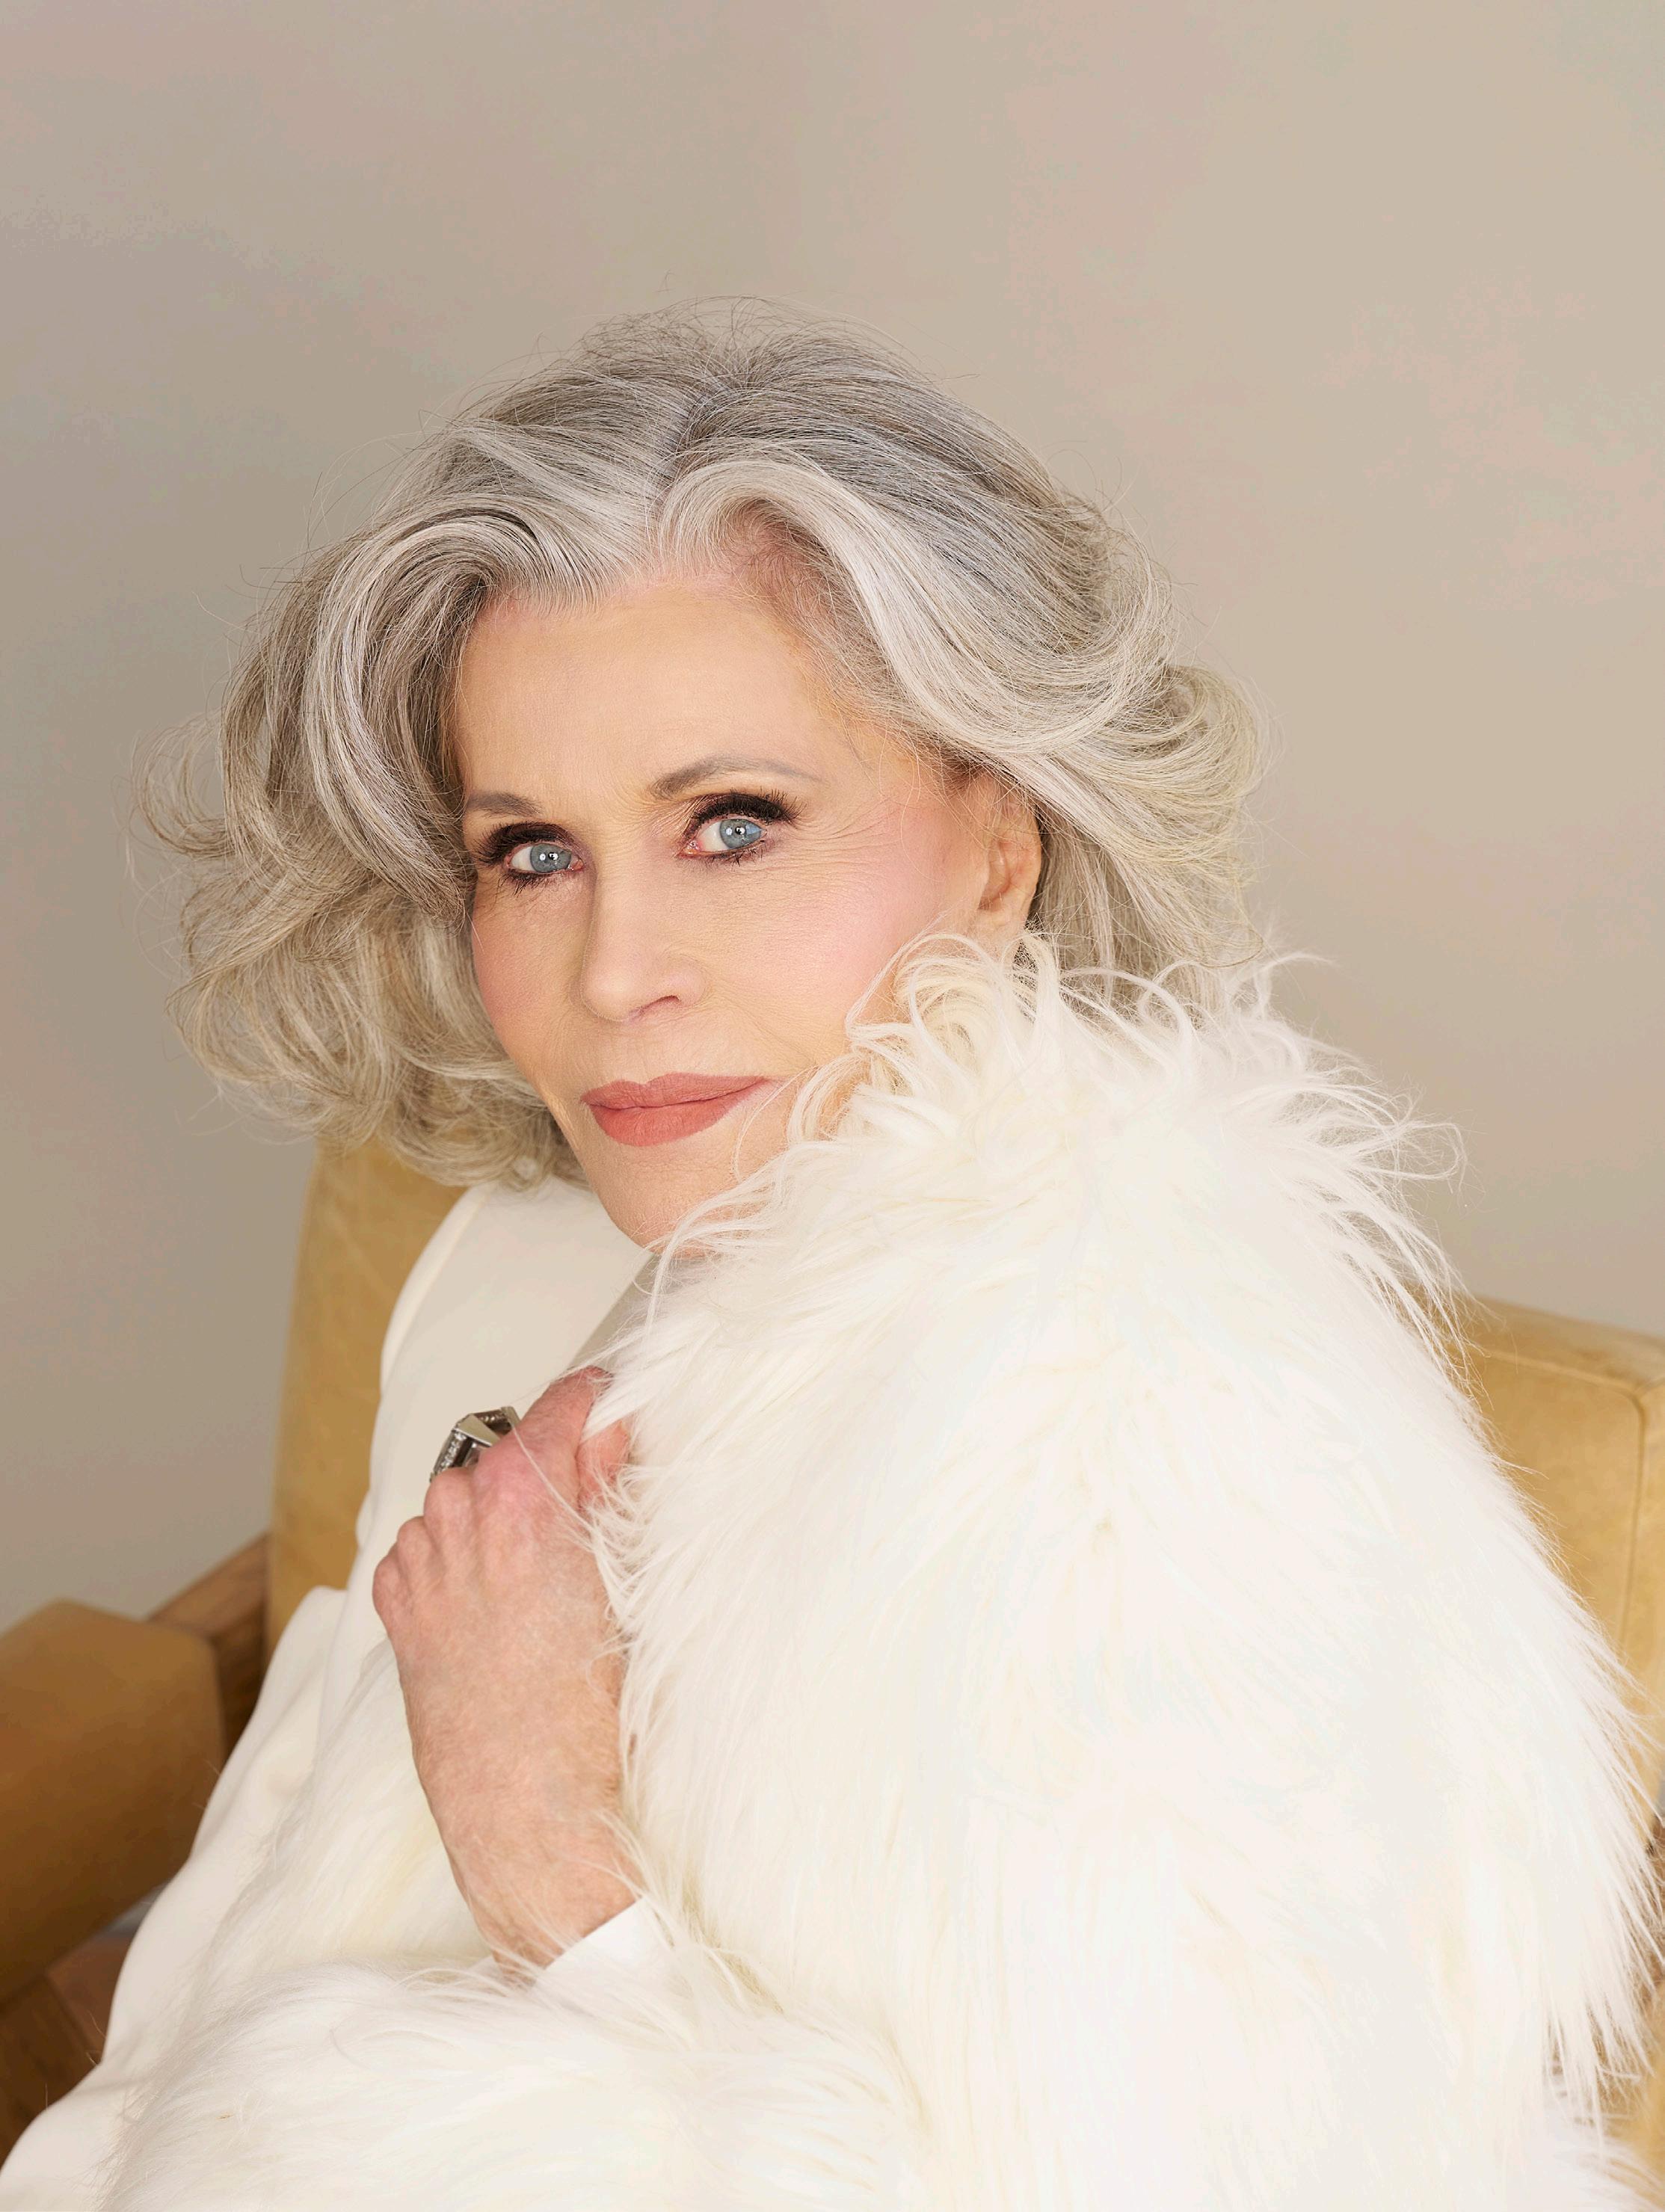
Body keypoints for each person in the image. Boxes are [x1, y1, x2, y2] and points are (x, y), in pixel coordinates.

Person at [3, 301, 1659, 2211]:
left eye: (733, 824)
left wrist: (554, 1857)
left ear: (997, 842)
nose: (614, 971)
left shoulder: (1142, 1450)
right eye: (530, 850)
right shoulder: (522, 1255)